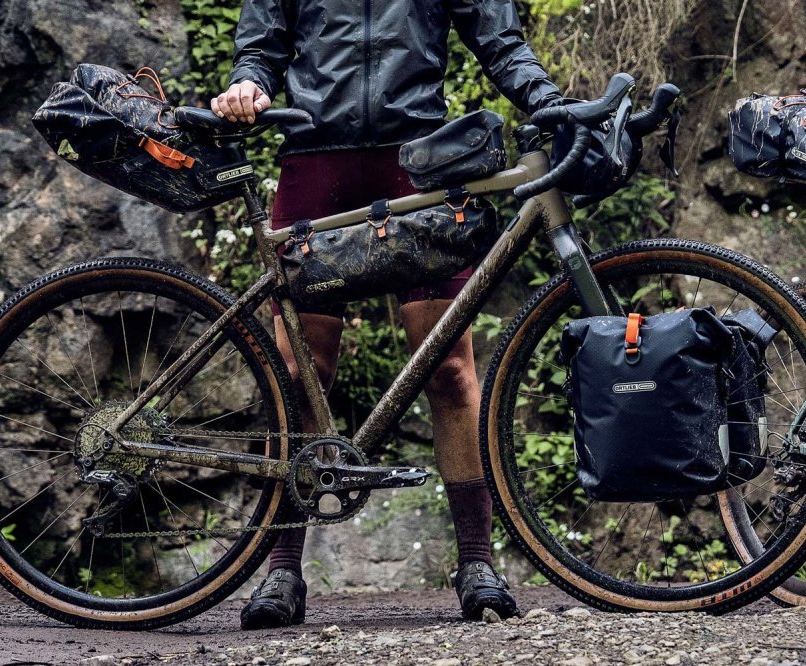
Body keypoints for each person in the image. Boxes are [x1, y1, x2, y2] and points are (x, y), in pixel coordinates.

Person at [207, 0, 569, 630]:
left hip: (418, 161)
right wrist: (249, 82)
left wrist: (544, 98)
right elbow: (263, 40)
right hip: (316, 155)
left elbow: (498, 35)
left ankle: (477, 563)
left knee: (450, 368)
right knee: (299, 372)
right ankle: (282, 571)